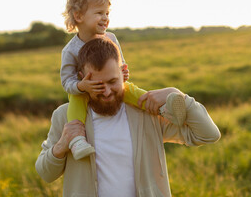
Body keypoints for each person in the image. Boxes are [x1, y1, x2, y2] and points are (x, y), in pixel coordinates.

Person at [35, 38, 221, 197]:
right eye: (98, 85)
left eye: (112, 82)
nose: (107, 92)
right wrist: (61, 146)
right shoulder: (65, 116)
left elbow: (208, 134)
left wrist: (177, 94)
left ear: (123, 72)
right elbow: (45, 173)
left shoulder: (146, 113)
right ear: (82, 78)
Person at [61, 0, 186, 160]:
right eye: (99, 13)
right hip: (86, 91)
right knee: (75, 100)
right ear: (78, 16)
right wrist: (80, 86)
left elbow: (121, 64)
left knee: (130, 90)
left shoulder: (111, 38)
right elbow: (66, 80)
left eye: (107, 13)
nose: (105, 18)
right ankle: (77, 141)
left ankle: (164, 110)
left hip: (111, 86)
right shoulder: (70, 50)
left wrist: (123, 73)